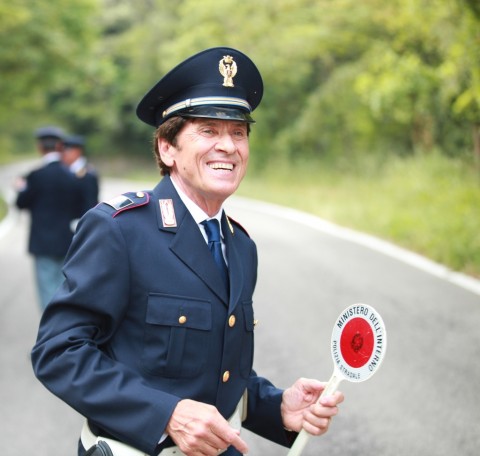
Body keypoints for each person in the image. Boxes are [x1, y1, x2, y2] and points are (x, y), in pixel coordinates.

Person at [31, 47, 344, 456]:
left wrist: (276, 407)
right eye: (208, 131)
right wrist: (167, 414)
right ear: (167, 148)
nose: (228, 146)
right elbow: (58, 352)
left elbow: (213, 370)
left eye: (238, 132)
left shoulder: (240, 245)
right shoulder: (120, 230)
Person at [15, 126, 83, 311]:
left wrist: (21, 188)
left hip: (42, 241)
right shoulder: (72, 176)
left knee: (46, 289)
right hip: (66, 239)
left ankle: (48, 335)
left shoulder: (35, 176)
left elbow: (21, 203)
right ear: (60, 146)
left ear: (39, 147)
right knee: (64, 288)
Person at [62, 134, 100, 217]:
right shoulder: (65, 170)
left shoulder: (87, 174)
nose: (63, 154)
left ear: (77, 151)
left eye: (66, 151)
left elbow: (91, 204)